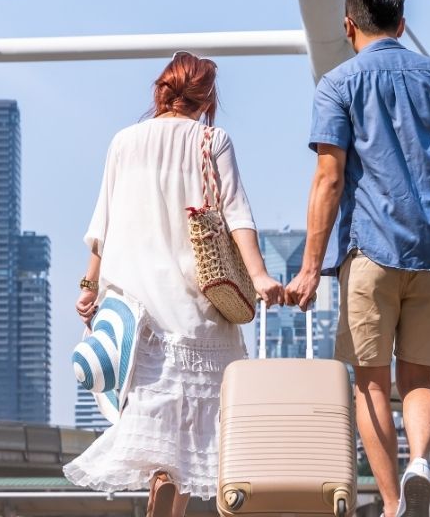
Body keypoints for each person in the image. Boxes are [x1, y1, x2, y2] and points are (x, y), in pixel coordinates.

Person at [284, 0, 430, 517]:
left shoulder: (338, 85)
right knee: (418, 378)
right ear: (403, 24)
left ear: (348, 26)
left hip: (369, 251)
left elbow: (329, 179)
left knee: (371, 385)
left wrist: (309, 268)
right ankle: (421, 461)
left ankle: (398, 503)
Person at [63, 51, 284, 517]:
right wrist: (260, 276)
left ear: (161, 91)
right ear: (205, 96)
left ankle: (161, 481)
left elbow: (100, 226)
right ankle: (171, 489)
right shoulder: (211, 140)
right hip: (196, 307)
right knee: (196, 430)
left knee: (158, 422)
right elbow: (238, 216)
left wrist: (88, 286)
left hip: (136, 313)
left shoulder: (123, 142)